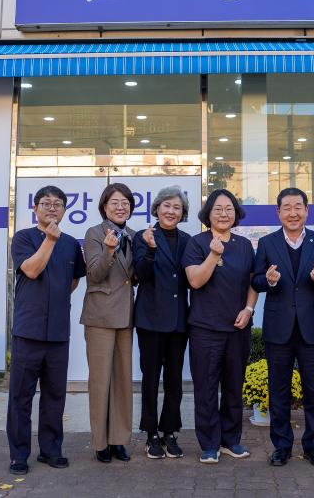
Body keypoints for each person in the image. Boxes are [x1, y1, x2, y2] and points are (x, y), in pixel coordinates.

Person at [251, 188, 314, 468]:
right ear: (278, 212)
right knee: (278, 391)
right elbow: (256, 280)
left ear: (306, 210)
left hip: (312, 327)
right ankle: (281, 446)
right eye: (286, 207)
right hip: (279, 327)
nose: (293, 213)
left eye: (298, 207)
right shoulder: (267, 243)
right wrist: (269, 280)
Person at [7, 185, 86, 475]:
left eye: (58, 204)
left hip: (58, 332)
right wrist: (50, 241)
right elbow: (31, 270)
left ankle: (51, 450)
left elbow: (74, 279)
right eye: (46, 203)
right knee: (21, 396)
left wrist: (58, 296)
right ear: (35, 209)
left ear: (64, 210)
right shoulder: (23, 237)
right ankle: (18, 455)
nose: (52, 208)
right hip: (28, 331)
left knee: (55, 396)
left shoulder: (71, 244)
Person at [183, 189, 258, 464]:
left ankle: (230, 440)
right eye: (218, 209)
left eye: (229, 209)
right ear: (208, 214)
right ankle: (209, 444)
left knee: (233, 387)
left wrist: (248, 309)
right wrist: (214, 255)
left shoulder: (244, 245)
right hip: (205, 329)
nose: (224, 214)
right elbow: (195, 281)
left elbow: (253, 281)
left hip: (237, 329)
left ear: (236, 214)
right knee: (206, 389)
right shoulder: (197, 243)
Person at [132, 186, 191, 460]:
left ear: (182, 213)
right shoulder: (143, 237)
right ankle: (151, 433)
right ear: (157, 208)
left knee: (175, 380)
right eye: (166, 205)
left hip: (179, 320)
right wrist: (151, 249)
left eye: (177, 207)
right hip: (151, 319)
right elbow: (141, 275)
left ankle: (170, 431)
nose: (171, 211)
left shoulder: (188, 240)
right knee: (151, 379)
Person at [81, 183, 137, 464]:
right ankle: (100, 442)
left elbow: (135, 277)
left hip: (126, 315)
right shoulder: (94, 233)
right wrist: (108, 249)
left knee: (123, 381)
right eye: (114, 202)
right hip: (100, 316)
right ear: (104, 206)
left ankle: (119, 440)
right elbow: (94, 274)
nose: (120, 207)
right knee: (100, 381)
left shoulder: (134, 235)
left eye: (125, 202)